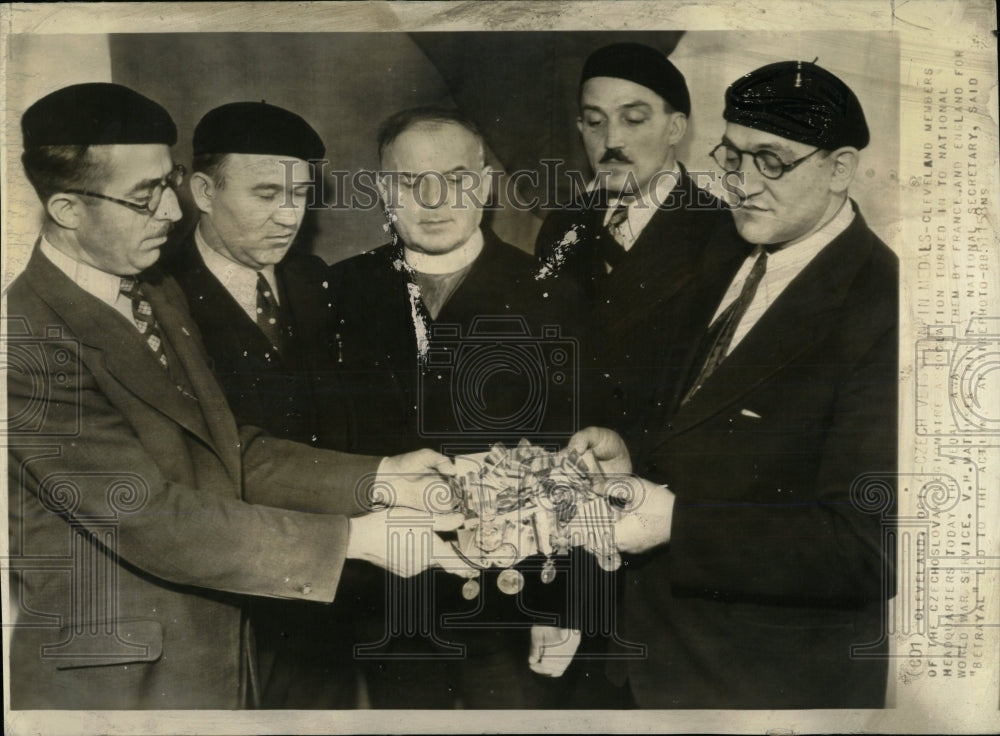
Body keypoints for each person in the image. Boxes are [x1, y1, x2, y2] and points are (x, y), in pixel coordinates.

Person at [5, 83, 473, 710]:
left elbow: (230, 451)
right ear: (66, 208)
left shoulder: (153, 294)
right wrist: (358, 540)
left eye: (167, 184)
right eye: (145, 196)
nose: (172, 213)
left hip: (219, 659)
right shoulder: (25, 341)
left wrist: (385, 477)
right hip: (117, 678)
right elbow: (147, 515)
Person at [566, 60, 898, 709]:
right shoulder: (731, 248)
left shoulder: (885, 304)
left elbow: (869, 548)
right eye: (731, 155)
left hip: (763, 690)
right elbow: (710, 422)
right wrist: (631, 452)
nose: (740, 183)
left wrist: (676, 524)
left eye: (770, 161)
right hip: (653, 662)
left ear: (839, 169)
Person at [328, 106, 581, 708]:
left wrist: (564, 602)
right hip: (389, 599)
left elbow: (576, 463)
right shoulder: (339, 292)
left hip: (515, 604)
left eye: (458, 178)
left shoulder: (552, 294)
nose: (436, 199)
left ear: (487, 185)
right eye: (413, 182)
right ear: (385, 191)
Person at [162, 101, 357, 707]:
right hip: (225, 591)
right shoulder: (158, 291)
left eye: (300, 194)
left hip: (328, 585)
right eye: (266, 193)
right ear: (202, 191)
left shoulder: (312, 279)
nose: (289, 216)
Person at [534, 42, 739, 452]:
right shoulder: (562, 226)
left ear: (676, 128)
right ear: (579, 129)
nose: (612, 140)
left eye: (633, 120)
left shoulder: (726, 235)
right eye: (595, 122)